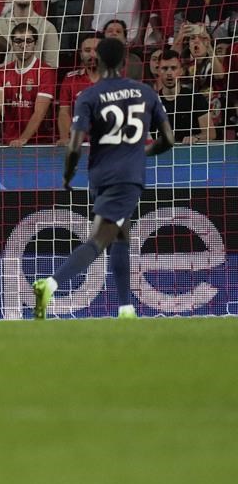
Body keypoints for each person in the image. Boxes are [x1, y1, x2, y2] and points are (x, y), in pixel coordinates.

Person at [33, 38, 174, 320]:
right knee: (99, 240)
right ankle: (50, 284)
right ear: (125, 61)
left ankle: (125, 308)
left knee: (121, 237)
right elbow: (168, 139)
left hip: (99, 176)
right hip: (127, 177)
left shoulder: (88, 95)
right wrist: (143, 151)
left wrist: (68, 175)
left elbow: (74, 145)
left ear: (97, 60)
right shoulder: (146, 92)